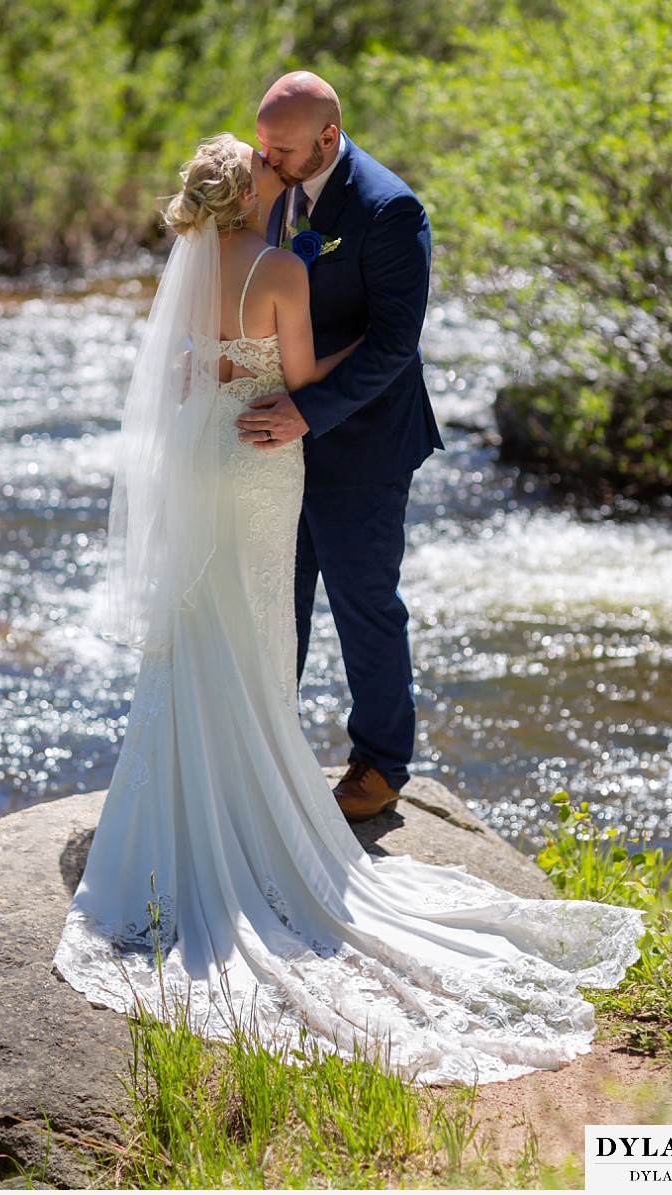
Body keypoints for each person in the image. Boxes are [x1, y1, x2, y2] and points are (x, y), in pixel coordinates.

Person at [54, 133, 643, 1084]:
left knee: (202, 617)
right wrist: (358, 348)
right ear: (255, 189)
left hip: (204, 452)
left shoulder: (194, 267)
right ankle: (263, 796)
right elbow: (297, 376)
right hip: (262, 457)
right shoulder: (280, 264)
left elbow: (174, 377)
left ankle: (195, 789)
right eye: (266, 159)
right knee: (258, 614)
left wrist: (222, 379)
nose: (282, 167)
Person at [236, 72, 444, 822]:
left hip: (361, 443)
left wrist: (305, 410)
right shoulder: (269, 183)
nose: (268, 157)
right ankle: (265, 750)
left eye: (282, 147)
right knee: (273, 602)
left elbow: (394, 344)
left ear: (328, 136)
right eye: (263, 141)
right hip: (274, 446)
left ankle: (382, 764)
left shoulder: (390, 209)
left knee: (363, 603)